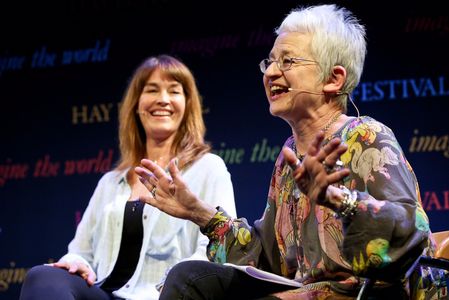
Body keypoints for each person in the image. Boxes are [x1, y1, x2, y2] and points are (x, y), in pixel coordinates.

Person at [135, 4, 434, 300]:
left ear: (334, 79)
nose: (271, 73)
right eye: (270, 62)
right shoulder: (289, 154)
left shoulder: (366, 138)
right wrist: (199, 213)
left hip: (362, 294)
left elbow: (412, 236)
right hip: (299, 293)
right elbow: (267, 259)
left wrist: (338, 200)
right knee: (190, 279)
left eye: (288, 61)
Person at [19, 54, 237, 300]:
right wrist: (76, 263)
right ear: (136, 104)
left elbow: (220, 248)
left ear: (188, 105)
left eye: (174, 91)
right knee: (42, 277)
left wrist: (175, 286)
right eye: (152, 90)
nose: (163, 100)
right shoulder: (110, 183)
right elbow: (80, 252)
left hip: (166, 296)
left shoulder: (208, 169)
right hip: (107, 293)